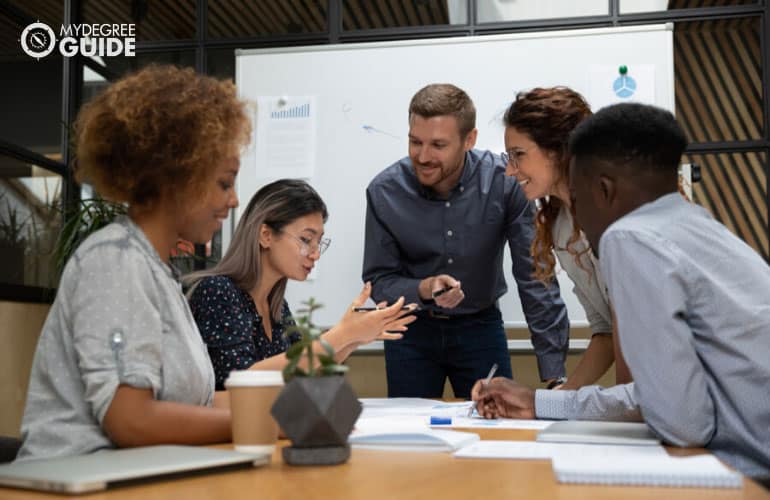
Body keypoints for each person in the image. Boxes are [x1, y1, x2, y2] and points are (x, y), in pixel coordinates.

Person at [16, 65, 410, 461]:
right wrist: (269, 424)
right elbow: (130, 421)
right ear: (175, 178)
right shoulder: (114, 261)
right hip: (86, 476)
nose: (235, 200)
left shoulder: (158, 273)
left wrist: (303, 412)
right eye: (224, 183)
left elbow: (206, 403)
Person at [472, 102, 770, 482]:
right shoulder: (696, 224)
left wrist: (544, 401)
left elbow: (682, 421)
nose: (573, 213)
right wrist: (550, 401)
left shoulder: (629, 237)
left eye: (576, 195)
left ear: (603, 190)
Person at [363, 83, 569, 399]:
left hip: (480, 327)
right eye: (415, 142)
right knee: (409, 434)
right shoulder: (384, 191)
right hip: (410, 329)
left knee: (495, 427)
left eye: (438, 145)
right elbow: (379, 281)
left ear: (469, 140)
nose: (423, 156)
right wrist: (424, 288)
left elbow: (534, 275)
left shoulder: (506, 182)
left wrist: (556, 375)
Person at [185, 179, 415, 390]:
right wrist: (342, 334)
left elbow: (305, 371)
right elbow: (242, 382)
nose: (315, 254)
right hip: (231, 431)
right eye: (306, 240)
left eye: (319, 242)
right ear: (265, 235)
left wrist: (356, 338)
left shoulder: (275, 304)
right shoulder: (218, 291)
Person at [501, 87, 631, 389]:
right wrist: (561, 397)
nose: (509, 170)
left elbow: (634, 332)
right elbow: (607, 331)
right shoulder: (560, 225)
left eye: (518, 155)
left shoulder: (619, 212)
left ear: (560, 149)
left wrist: (629, 415)